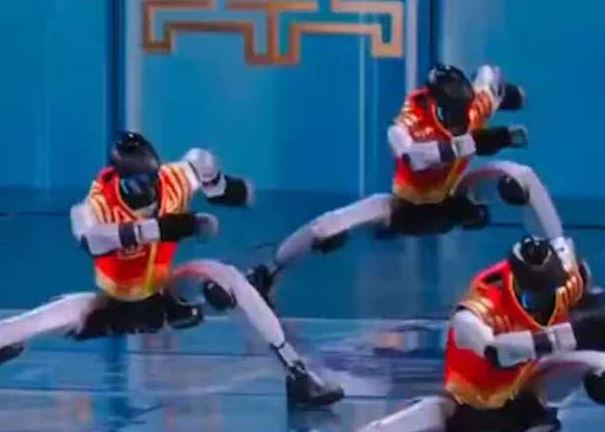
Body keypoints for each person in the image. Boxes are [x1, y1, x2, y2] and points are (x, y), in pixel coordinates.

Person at [0, 132, 344, 407]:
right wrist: (164, 228)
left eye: (150, 179)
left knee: (227, 278)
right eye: (136, 183)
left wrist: (229, 189)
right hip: (114, 303)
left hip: (165, 293)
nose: (146, 189)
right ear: (119, 178)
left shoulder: (173, 181)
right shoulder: (97, 205)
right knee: (61, 312)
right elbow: (92, 239)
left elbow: (202, 166)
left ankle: (298, 374)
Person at [247, 64, 572, 306]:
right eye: (453, 115)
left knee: (521, 176)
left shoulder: (474, 108)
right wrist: (480, 141)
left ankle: (564, 260)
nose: (461, 120)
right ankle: (267, 272)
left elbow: (490, 76)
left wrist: (506, 95)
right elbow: (414, 157)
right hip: (405, 208)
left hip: (454, 197)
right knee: (324, 228)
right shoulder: (410, 122)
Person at [359, 237, 605, 432]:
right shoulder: (484, 305)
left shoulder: (565, 286)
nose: (552, 300)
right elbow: (494, 350)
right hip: (474, 397)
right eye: (539, 294)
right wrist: (556, 339)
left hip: (526, 389)